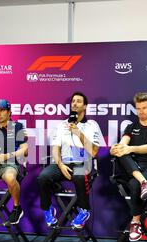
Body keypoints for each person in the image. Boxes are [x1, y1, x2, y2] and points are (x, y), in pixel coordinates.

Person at [37, 91, 101, 229]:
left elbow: (94, 151)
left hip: (84, 162)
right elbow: (55, 148)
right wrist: (60, 165)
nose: (75, 103)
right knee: (43, 177)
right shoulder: (61, 125)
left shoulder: (92, 125)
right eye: (73, 101)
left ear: (85, 106)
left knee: (79, 176)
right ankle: (48, 209)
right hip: (64, 163)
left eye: (78, 101)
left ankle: (84, 210)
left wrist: (78, 132)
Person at [110, 92, 147, 241]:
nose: (141, 112)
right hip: (132, 166)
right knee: (120, 152)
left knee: (134, 183)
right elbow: (122, 144)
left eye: (144, 108)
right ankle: (144, 184)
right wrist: (115, 148)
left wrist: (128, 148)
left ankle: (135, 221)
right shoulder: (131, 127)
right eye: (138, 108)